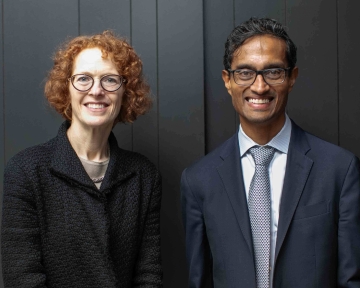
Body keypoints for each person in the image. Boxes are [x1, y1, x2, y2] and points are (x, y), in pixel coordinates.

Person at [181, 17, 360, 288]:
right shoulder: (198, 180)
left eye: (273, 71)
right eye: (245, 72)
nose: (260, 86)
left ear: (292, 78)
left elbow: (351, 280)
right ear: (227, 80)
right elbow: (199, 280)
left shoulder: (340, 170)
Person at [2, 31, 162, 287]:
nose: (96, 91)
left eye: (109, 80)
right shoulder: (25, 171)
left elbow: (149, 274)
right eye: (83, 79)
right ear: (66, 88)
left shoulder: (144, 176)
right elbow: (23, 276)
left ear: (125, 92)